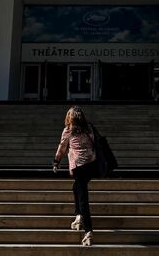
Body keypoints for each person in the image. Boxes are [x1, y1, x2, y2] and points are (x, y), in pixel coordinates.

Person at [53, 105, 98, 246]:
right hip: (92, 164)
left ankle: (88, 231)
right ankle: (78, 215)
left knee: (83, 197)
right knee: (76, 187)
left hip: (79, 166)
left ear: (69, 117)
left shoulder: (68, 130)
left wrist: (56, 161)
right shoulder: (89, 128)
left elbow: (62, 147)